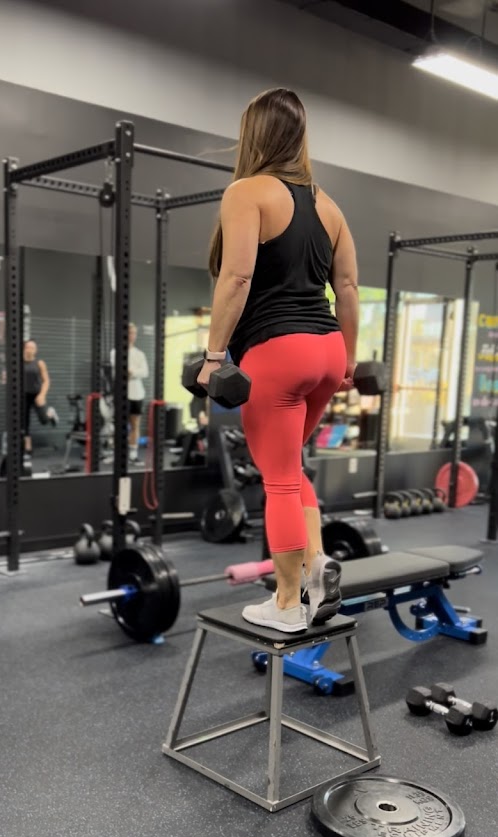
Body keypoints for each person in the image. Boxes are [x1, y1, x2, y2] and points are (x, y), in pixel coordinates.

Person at [198, 87, 358, 633]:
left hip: (278, 350)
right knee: (287, 466)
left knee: (279, 481)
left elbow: (236, 277)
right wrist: (348, 364)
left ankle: (288, 603)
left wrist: (213, 356)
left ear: (254, 134)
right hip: (327, 349)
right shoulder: (329, 205)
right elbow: (348, 288)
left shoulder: (247, 192)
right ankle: (316, 566)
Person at [110, 323, 149, 464]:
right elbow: (120, 371)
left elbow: (145, 372)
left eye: (134, 333)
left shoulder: (140, 354)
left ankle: (133, 454)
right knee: (118, 425)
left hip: (137, 394)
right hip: (121, 394)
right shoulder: (115, 352)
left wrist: (132, 372)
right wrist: (133, 371)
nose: (132, 335)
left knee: (135, 424)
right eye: (130, 332)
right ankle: (116, 454)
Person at [23, 340, 58, 459]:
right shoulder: (19, 363)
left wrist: (42, 395)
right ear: (24, 349)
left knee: (44, 420)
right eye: (27, 347)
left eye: (32, 348)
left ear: (36, 350)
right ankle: (28, 448)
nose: (29, 350)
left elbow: (46, 381)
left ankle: (51, 414)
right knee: (24, 422)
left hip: (37, 394)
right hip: (24, 395)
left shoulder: (39, 363)